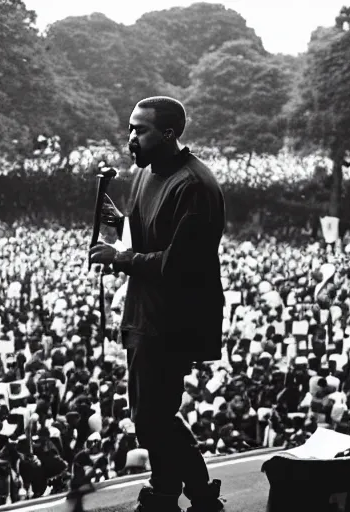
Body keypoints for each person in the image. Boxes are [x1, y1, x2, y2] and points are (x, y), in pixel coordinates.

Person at [89, 96, 226, 512]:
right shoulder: (145, 173)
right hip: (144, 310)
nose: (131, 136)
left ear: (168, 134)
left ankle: (199, 492)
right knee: (152, 414)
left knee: (151, 418)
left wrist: (120, 258)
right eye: (130, 127)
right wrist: (119, 223)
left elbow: (178, 264)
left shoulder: (194, 186)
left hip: (173, 317)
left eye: (140, 129)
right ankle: (167, 489)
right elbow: (149, 231)